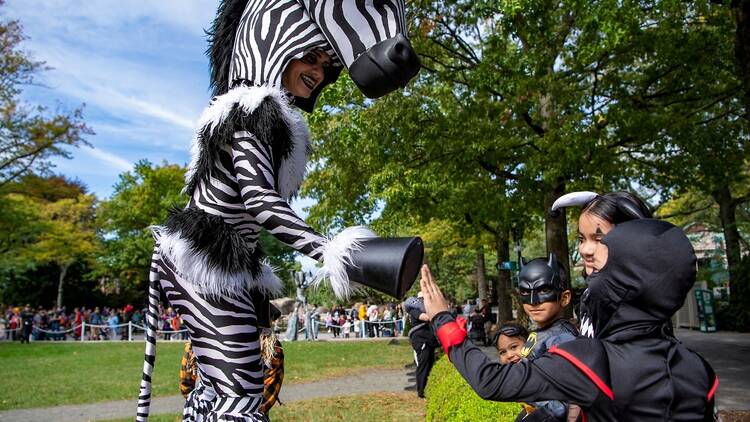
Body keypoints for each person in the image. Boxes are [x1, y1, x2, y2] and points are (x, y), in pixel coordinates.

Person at [135, 1, 420, 420]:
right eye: (310, 56)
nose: (319, 71)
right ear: (277, 51)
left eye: (326, 63)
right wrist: (330, 251)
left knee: (223, 389)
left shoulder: (256, 115)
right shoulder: (252, 112)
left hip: (220, 260)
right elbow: (259, 200)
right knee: (240, 395)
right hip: (207, 259)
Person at [420, 217, 719, 421]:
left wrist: (443, 321)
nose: (589, 264)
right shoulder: (698, 369)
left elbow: (491, 382)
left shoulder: (592, 361)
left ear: (623, 282)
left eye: (601, 265)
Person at [516, 253, 579, 421]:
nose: (533, 301)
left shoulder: (563, 339)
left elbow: (568, 399)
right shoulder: (538, 333)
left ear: (564, 297)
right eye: (525, 291)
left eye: (544, 290)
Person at [403, 293, 439, 399]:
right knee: (423, 364)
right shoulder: (414, 310)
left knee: (430, 363)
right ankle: (421, 390)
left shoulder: (419, 309)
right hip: (421, 341)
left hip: (427, 340)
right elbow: (426, 318)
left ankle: (427, 387)